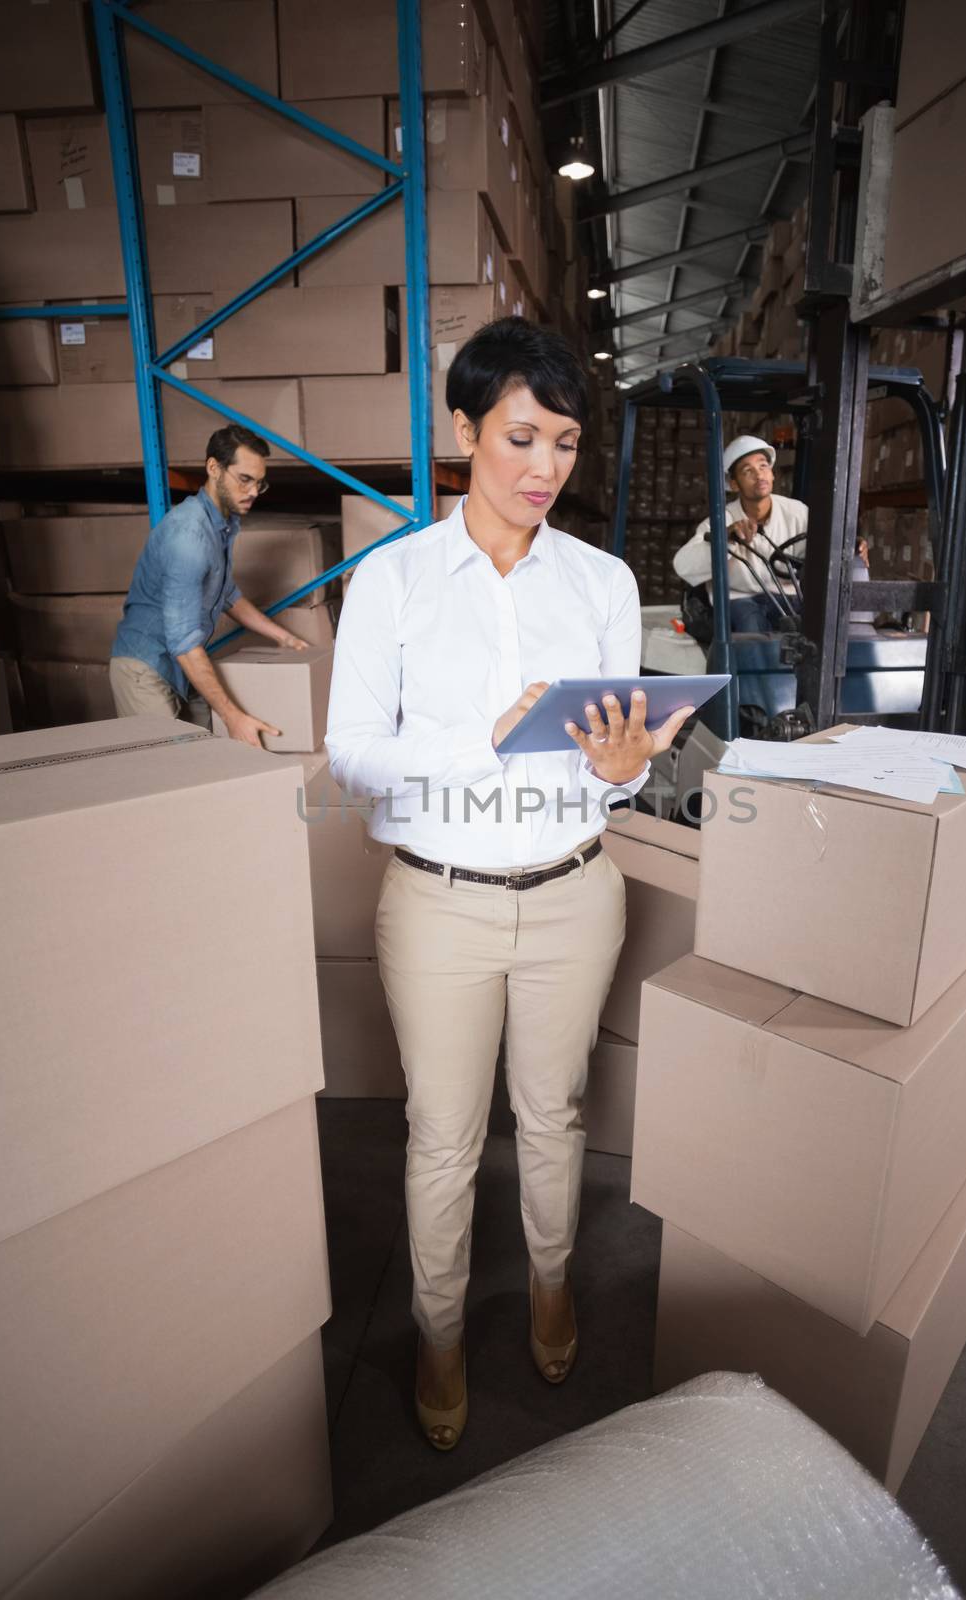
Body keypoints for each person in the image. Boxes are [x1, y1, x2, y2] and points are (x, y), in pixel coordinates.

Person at [324, 318, 692, 1452]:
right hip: (436, 900)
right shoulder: (391, 580)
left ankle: (545, 1280)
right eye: (522, 438)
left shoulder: (600, 578)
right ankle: (437, 1330)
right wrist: (478, 741)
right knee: (440, 1132)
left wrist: (626, 767)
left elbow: (609, 750)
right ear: (465, 430)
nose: (543, 470)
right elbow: (349, 754)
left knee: (555, 1110)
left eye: (566, 445)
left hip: (576, 890)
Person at [109, 423, 308, 746]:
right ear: (213, 468)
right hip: (145, 667)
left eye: (260, 483)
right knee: (168, 772)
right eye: (245, 479)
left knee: (206, 757)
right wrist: (234, 719)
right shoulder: (189, 536)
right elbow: (184, 642)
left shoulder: (222, 524)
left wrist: (285, 637)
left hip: (180, 664)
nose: (254, 492)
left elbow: (227, 594)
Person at [672, 434, 808, 633]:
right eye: (747, 471)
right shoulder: (720, 521)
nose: (759, 475)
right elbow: (682, 565)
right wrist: (724, 537)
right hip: (738, 598)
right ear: (734, 484)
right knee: (752, 629)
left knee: (808, 630)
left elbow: (823, 551)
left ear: (772, 474)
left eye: (763, 466)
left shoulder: (798, 513)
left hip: (787, 597)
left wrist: (854, 546)